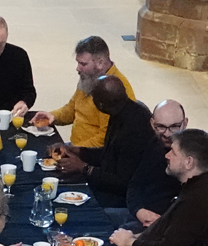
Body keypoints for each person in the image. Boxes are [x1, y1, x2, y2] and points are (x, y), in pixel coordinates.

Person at [108, 127, 208, 246]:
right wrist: (135, 238)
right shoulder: (197, 187)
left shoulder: (197, 201)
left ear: (189, 162)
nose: (167, 156)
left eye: (173, 152)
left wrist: (129, 243)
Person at [53, 75, 155, 208]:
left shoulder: (134, 129)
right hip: (107, 183)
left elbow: (123, 182)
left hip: (122, 199)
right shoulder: (119, 110)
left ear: (100, 104)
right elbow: (109, 154)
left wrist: (83, 168)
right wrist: (77, 150)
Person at [32, 35, 134, 149]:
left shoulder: (114, 90)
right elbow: (72, 109)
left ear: (100, 63)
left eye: (83, 64)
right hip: (77, 147)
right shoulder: (89, 78)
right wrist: (53, 116)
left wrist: (74, 151)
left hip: (94, 155)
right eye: (78, 63)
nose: (78, 68)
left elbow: (106, 138)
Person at [128, 99, 188, 221]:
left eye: (174, 127)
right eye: (161, 127)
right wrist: (139, 211)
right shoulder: (152, 145)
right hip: (142, 217)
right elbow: (134, 185)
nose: (167, 134)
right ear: (152, 124)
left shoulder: (195, 156)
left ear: (185, 123)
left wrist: (160, 224)